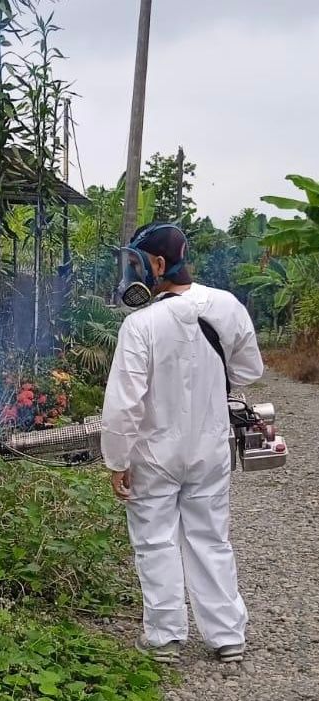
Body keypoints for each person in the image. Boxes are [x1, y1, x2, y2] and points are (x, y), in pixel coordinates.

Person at [100, 222, 264, 664]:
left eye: (135, 263)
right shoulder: (226, 306)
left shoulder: (140, 324)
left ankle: (165, 639)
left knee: (155, 541)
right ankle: (228, 637)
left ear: (156, 264)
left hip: (154, 454)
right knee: (211, 539)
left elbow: (123, 405)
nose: (132, 273)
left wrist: (116, 460)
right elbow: (249, 371)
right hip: (211, 448)